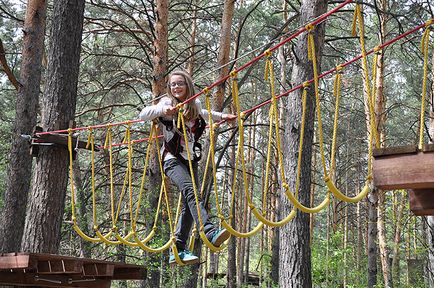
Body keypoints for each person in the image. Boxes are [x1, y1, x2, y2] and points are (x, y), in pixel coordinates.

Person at [139, 70, 234, 265]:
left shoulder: (195, 104)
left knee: (189, 205)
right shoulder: (166, 103)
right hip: (171, 159)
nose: (176, 87)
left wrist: (223, 116)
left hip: (190, 160)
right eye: (173, 84)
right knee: (191, 192)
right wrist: (162, 112)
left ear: (187, 85)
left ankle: (179, 250)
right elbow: (143, 114)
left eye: (179, 83)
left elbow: (205, 114)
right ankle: (209, 231)